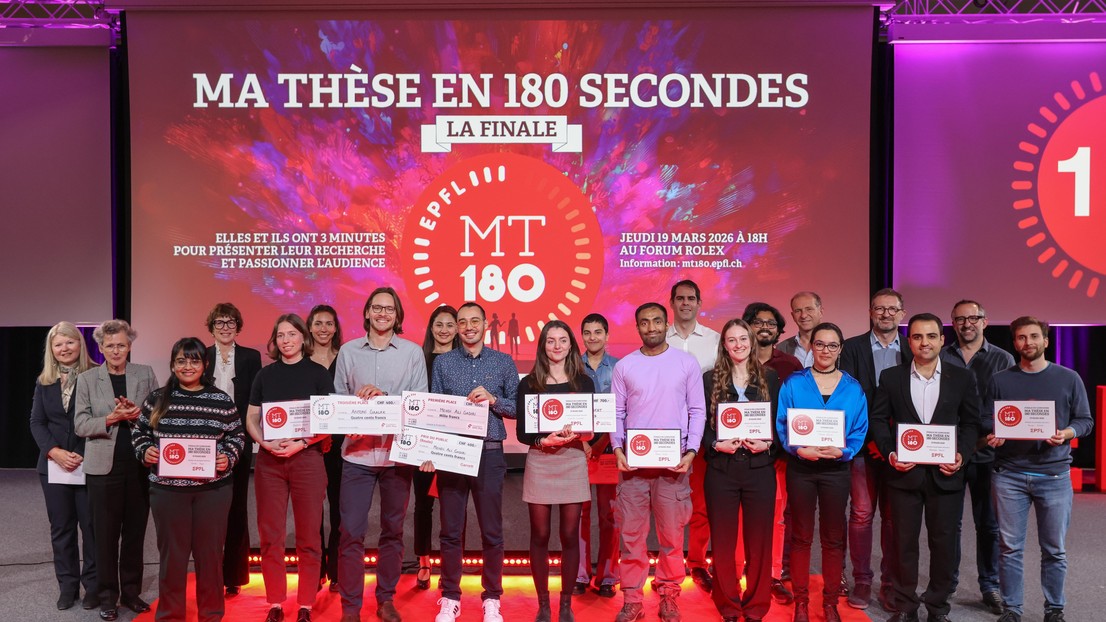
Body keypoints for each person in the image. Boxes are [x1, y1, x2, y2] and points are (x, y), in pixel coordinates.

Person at [870, 313, 981, 622]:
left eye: (931, 336)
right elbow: (879, 420)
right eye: (918, 337)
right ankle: (906, 607)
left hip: (946, 475)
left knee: (944, 544)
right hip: (904, 474)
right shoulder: (891, 377)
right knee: (903, 544)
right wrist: (891, 453)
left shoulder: (962, 377)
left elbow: (972, 423)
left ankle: (937, 608)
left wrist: (961, 454)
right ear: (910, 342)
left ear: (942, 340)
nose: (925, 342)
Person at [985, 316, 1093, 622]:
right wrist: (994, 433)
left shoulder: (1068, 378)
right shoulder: (1000, 380)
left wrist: (1066, 434)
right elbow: (985, 419)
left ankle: (1054, 610)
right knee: (1009, 548)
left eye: (1034, 336)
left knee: (1054, 549)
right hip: (1009, 475)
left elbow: (1085, 421)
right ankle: (1012, 610)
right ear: (1015, 342)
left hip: (1055, 475)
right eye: (1021, 337)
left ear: (1046, 341)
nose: (1027, 343)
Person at [132, 337, 246, 622]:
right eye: (181, 360)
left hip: (213, 490)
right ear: (173, 364)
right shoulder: (157, 399)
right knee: (173, 557)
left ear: (204, 365)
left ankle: (211, 615)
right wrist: (145, 451)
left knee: (209, 556)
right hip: (168, 491)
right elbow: (139, 432)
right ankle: (170, 615)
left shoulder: (221, 399)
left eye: (194, 360)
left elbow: (237, 435)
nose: (187, 366)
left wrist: (228, 457)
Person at [334, 288, 427, 622]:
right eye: (377, 308)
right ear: (368, 312)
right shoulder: (347, 352)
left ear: (397, 315)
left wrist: (385, 397)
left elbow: (420, 403)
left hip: (396, 457)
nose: (383, 313)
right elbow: (339, 401)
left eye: (389, 309)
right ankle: (351, 606)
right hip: (356, 456)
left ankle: (386, 598)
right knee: (351, 533)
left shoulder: (413, 353)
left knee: (392, 531)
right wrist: (348, 422)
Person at [612, 302, 706, 622]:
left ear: (666, 324)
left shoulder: (686, 363)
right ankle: (633, 599)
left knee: (671, 537)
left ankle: (668, 594)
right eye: (643, 323)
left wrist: (692, 450)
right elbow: (617, 413)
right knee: (631, 538)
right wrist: (617, 449)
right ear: (636, 327)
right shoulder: (625, 366)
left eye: (656, 321)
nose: (650, 327)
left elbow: (697, 410)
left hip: (674, 466)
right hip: (634, 469)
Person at [429, 302, 519, 622]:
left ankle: (491, 597)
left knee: (491, 531)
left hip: (489, 453)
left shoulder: (503, 361)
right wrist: (431, 451)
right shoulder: (443, 363)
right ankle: (450, 597)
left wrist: (494, 400)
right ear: (455, 326)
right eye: (462, 321)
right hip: (453, 453)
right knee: (451, 531)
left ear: (484, 325)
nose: (468, 326)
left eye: (474, 321)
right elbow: (434, 412)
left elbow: (518, 408)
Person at [775, 322, 868, 622]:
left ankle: (830, 603)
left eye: (832, 345)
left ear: (840, 349)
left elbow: (859, 428)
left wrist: (845, 451)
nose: (825, 350)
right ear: (810, 347)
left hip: (836, 470)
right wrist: (795, 448)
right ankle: (801, 602)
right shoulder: (794, 383)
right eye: (819, 344)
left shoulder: (853, 387)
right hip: (801, 467)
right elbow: (782, 423)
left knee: (832, 538)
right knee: (801, 536)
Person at [246, 314, 334, 622]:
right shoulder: (264, 375)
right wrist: (264, 444)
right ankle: (275, 603)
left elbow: (329, 422)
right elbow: (251, 419)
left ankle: (306, 605)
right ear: (275, 340)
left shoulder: (319, 374)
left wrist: (304, 442)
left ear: (303, 338)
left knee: (309, 536)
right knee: (271, 535)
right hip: (270, 461)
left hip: (307, 459)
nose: (286, 340)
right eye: (280, 335)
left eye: (292, 334)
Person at [74, 319, 159, 622]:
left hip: (138, 465)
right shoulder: (87, 379)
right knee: (105, 535)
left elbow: (159, 417)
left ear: (129, 345)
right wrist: (110, 418)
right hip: (102, 469)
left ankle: (132, 593)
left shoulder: (145, 374)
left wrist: (138, 416)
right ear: (100, 347)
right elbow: (81, 424)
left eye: (121, 344)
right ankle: (108, 596)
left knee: (135, 534)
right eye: (109, 345)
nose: (116, 350)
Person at [516, 320, 595, 622]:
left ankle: (565, 604)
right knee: (540, 534)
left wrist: (583, 435)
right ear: (543, 346)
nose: (557, 346)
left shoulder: (583, 383)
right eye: (551, 341)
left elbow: (594, 431)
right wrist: (542, 439)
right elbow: (523, 433)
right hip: (541, 459)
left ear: (571, 345)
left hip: (573, 460)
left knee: (569, 535)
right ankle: (543, 604)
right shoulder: (529, 383)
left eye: (563, 340)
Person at [702, 319, 781, 622]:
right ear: (724, 344)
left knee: (760, 541)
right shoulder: (710, 379)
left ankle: (757, 606)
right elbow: (699, 423)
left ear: (751, 341)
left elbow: (778, 423)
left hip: (759, 467)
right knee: (722, 543)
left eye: (743, 339)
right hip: (721, 468)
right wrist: (714, 446)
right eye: (731, 340)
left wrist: (768, 446)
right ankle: (728, 606)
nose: (738, 345)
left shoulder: (770, 378)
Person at [939, 299, 1014, 615]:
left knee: (989, 524)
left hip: (987, 450)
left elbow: (1011, 405)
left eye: (973, 318)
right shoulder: (941, 355)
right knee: (948, 524)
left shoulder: (1002, 359)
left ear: (985, 321)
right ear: (952, 323)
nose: (967, 323)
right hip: (947, 451)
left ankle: (990, 586)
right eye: (960, 319)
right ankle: (947, 584)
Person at [839, 288, 910, 611]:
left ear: (902, 313)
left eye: (892, 309)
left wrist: (892, 443)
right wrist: (872, 440)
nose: (885, 314)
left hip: (902, 448)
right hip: (862, 446)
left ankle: (890, 583)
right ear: (870, 312)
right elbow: (850, 398)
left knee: (894, 518)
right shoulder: (851, 348)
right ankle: (863, 581)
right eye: (879, 309)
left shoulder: (913, 348)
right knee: (862, 514)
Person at [29, 321, 97, 611]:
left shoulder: (96, 375)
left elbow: (100, 417)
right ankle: (67, 587)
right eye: (58, 344)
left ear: (79, 344)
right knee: (61, 528)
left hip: (89, 463)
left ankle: (93, 587)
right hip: (54, 466)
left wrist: (79, 452)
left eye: (69, 342)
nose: (64, 348)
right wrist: (55, 451)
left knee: (91, 528)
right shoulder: (44, 381)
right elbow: (37, 422)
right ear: (51, 350)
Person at [742, 302, 802, 605]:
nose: (764, 327)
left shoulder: (791, 365)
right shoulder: (735, 360)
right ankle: (743, 574)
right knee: (741, 517)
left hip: (775, 456)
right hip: (737, 454)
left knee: (776, 518)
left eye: (771, 323)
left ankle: (773, 574)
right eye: (757, 321)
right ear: (747, 327)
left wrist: (781, 447)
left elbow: (799, 412)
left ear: (779, 330)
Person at [203, 302, 262, 597]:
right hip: (203, 444)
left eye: (230, 323)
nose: (225, 328)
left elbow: (256, 400)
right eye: (219, 323)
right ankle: (209, 571)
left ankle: (234, 575)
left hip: (238, 441)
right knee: (208, 510)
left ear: (238, 326)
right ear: (211, 326)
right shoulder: (200, 356)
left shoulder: (251, 357)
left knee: (237, 508)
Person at [664, 280, 719, 593]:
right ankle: (668, 563)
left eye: (691, 299)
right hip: (665, 432)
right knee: (666, 502)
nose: (685, 303)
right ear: (672, 303)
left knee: (701, 503)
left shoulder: (714, 340)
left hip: (703, 433)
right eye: (680, 299)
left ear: (699, 303)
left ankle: (697, 563)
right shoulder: (660, 338)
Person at [414, 305, 461, 590]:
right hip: (423, 441)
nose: (444, 330)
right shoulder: (418, 359)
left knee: (453, 505)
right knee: (423, 504)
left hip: (455, 442)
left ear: (457, 329)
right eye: (438, 324)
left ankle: (449, 564)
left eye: (450, 324)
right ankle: (423, 561)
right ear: (431, 328)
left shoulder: (464, 360)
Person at [576, 313, 620, 598]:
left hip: (609, 449)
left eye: (598, 332)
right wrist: (581, 442)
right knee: (579, 514)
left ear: (606, 335)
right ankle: (580, 574)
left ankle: (607, 576)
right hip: (577, 450)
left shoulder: (619, 367)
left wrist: (603, 440)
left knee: (609, 515)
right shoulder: (571, 367)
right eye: (588, 333)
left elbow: (622, 409)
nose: (593, 337)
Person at [307, 304, 344, 593]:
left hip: (342, 443)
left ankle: (337, 570)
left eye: (328, 324)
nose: (323, 329)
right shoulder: (300, 360)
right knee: (312, 509)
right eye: (318, 323)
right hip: (308, 445)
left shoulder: (345, 358)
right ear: (309, 327)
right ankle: (316, 568)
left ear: (335, 328)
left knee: (340, 509)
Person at [777, 291, 824, 368]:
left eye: (809, 309)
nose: (803, 315)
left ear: (821, 312)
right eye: (798, 311)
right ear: (793, 316)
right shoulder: (782, 348)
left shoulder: (835, 346)